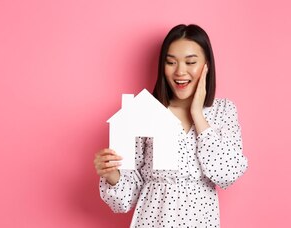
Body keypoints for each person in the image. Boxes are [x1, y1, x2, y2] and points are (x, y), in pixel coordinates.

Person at [93, 24, 248, 227]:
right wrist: (112, 174)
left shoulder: (223, 111)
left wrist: (197, 114)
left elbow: (226, 174)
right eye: (171, 62)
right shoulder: (143, 110)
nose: (180, 71)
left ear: (206, 65)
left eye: (190, 61)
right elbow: (125, 200)